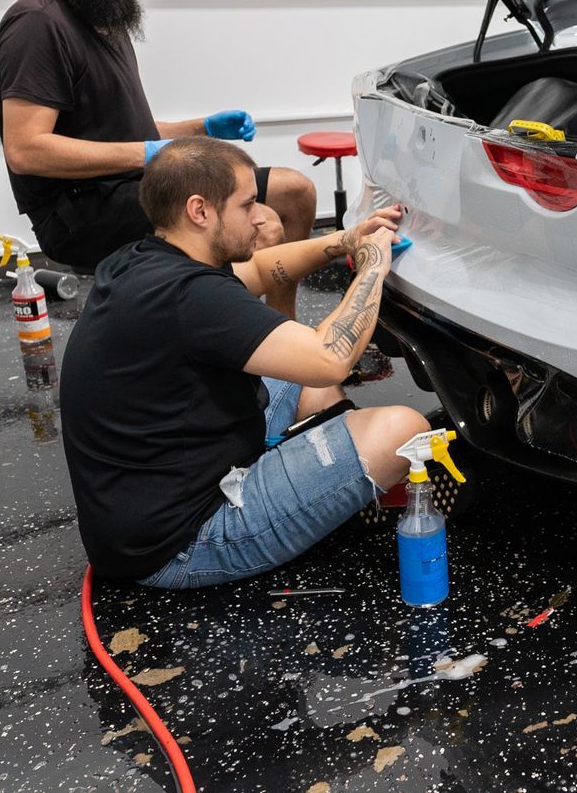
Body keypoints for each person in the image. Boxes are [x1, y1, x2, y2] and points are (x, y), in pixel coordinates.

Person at [60, 136, 430, 588]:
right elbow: (331, 358)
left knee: (301, 380)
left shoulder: (143, 259)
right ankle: (325, 490)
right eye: (247, 204)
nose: (261, 216)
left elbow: (260, 269)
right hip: (182, 542)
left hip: (143, 509)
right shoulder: (190, 296)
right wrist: (373, 265)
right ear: (200, 211)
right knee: (403, 429)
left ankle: (326, 486)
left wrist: (347, 239)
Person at [0, 0, 318, 316]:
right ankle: (238, 338)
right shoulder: (37, 26)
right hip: (83, 211)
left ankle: (277, 330)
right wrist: (148, 154)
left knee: (294, 191)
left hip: (128, 186)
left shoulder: (103, 13)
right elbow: (25, 149)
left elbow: (124, 131)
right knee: (261, 225)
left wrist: (200, 129)